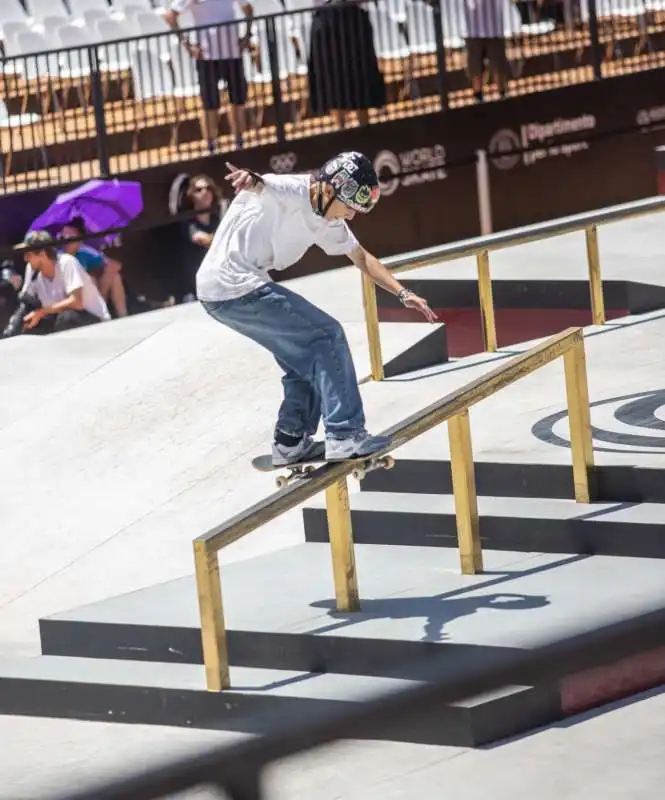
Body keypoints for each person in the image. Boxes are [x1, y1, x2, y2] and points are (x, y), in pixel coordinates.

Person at [196, 150, 437, 466]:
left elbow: (362, 258)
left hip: (223, 291)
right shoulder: (292, 189)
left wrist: (403, 293)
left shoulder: (329, 219)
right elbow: (261, 184)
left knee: (303, 358)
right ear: (328, 188)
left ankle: (290, 441)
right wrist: (248, 177)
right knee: (326, 335)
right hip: (234, 285)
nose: (350, 216)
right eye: (349, 207)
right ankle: (345, 433)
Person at [165, 0, 254, 154]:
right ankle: (211, 146)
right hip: (206, 57)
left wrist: (247, 36)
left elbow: (248, 8)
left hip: (232, 53)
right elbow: (170, 16)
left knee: (238, 100)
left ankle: (240, 144)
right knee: (209, 104)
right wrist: (187, 44)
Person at [15, 230, 111, 335]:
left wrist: (41, 312)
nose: (25, 259)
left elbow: (76, 303)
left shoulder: (67, 263)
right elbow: (26, 300)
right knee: (32, 325)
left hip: (95, 320)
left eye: (28, 255)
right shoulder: (32, 270)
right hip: (60, 317)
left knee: (66, 319)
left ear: (42, 254)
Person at [60, 218, 129, 318]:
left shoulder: (83, 252)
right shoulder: (59, 256)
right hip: (70, 296)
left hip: (92, 295)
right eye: (62, 237)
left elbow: (115, 265)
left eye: (69, 237)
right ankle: (100, 312)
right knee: (90, 279)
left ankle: (123, 316)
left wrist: (106, 276)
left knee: (115, 277)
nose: (65, 241)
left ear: (79, 241)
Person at [179, 174, 226, 302]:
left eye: (208, 188)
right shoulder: (187, 221)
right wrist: (224, 240)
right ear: (191, 195)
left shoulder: (219, 217)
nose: (205, 192)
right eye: (199, 190)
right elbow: (200, 238)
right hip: (198, 286)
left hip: (223, 280)